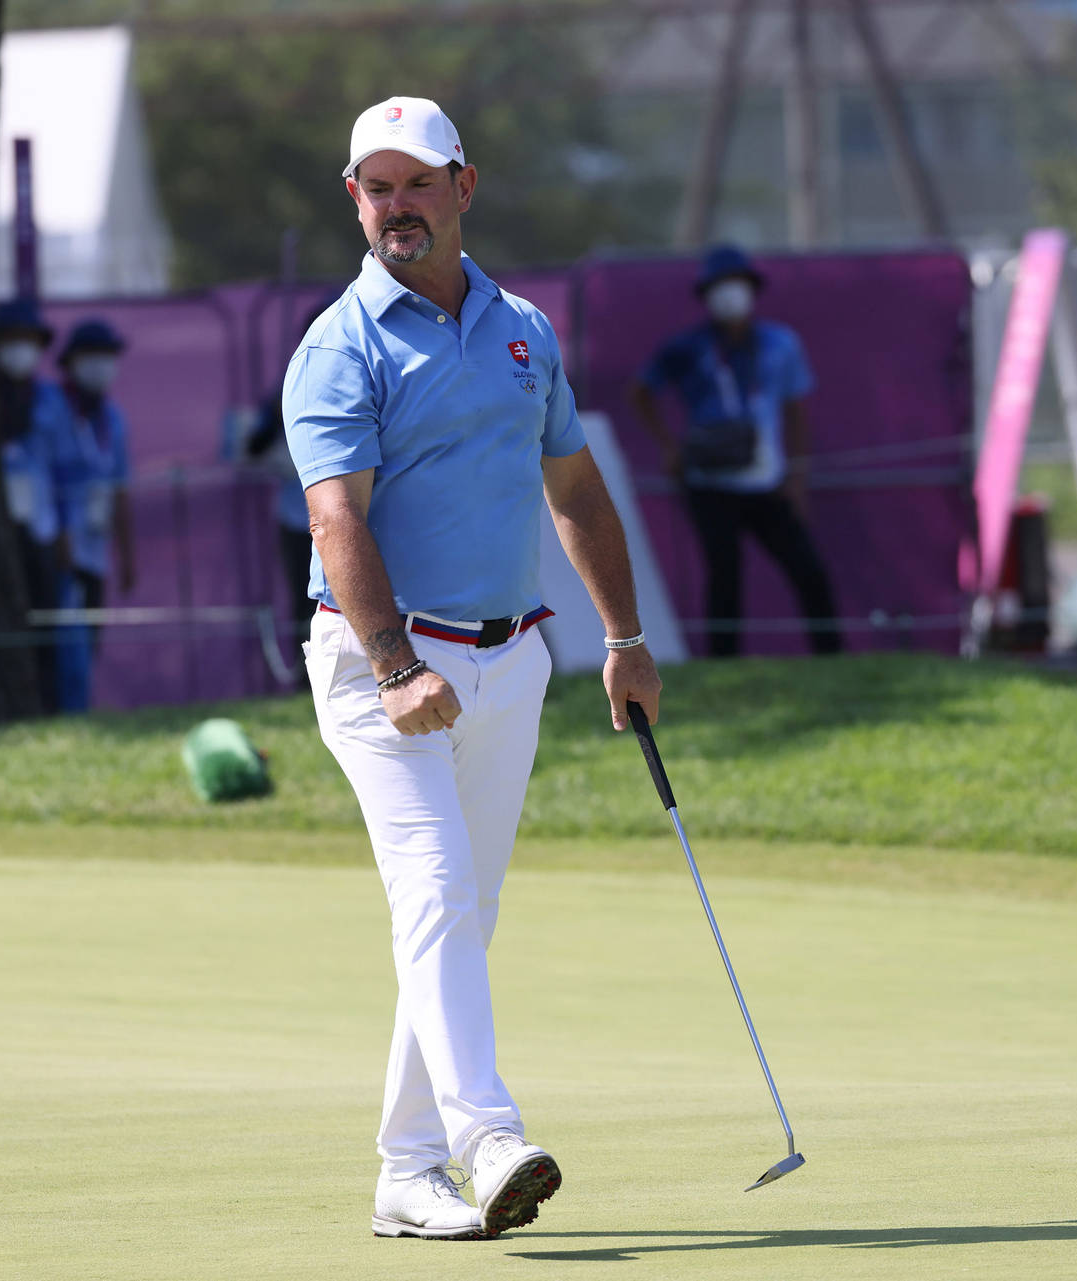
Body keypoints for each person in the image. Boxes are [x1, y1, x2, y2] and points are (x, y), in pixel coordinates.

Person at [284, 96, 661, 1241]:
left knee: (462, 912)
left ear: (464, 186)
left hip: (513, 659)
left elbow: (576, 489)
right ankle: (487, 1137)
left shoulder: (523, 330)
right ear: (355, 199)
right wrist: (397, 665)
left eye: (416, 183)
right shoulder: (336, 346)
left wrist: (627, 642)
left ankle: (406, 1171)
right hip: (378, 664)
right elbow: (335, 520)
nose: (396, 205)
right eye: (375, 187)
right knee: (438, 891)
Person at [629, 245, 842, 657]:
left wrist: (796, 476)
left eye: (737, 286)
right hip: (709, 483)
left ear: (752, 290)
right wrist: (669, 447)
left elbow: (796, 411)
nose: (730, 295)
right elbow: (640, 392)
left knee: (808, 571)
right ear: (707, 295)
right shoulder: (688, 347)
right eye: (721, 287)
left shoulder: (781, 344)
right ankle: (724, 664)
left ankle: (832, 656)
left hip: (768, 481)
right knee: (724, 576)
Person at [34, 317, 135, 714]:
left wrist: (127, 556)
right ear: (71, 361)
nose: (101, 365)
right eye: (92, 356)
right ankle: (60, 711)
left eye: (107, 356)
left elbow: (121, 490)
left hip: (94, 552)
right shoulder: (50, 407)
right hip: (56, 548)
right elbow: (44, 475)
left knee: (86, 638)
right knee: (59, 641)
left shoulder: (113, 419)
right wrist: (59, 531)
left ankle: (75, 710)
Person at [246, 295, 342, 669]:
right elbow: (254, 446)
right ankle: (310, 675)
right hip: (298, 519)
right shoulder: (288, 385)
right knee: (308, 599)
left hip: (355, 512)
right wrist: (276, 415)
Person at [0, 298, 63, 713]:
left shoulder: (49, 401)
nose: (20, 348)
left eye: (28, 340)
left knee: (45, 626)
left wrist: (64, 533)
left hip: (42, 533)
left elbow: (66, 472)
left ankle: (46, 710)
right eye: (11, 339)